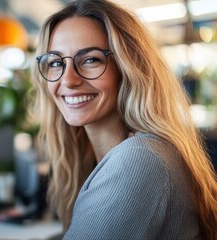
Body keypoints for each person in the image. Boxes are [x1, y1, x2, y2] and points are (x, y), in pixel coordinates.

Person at [32, 0, 217, 239]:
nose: (68, 80)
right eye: (56, 62)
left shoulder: (138, 160)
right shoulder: (115, 154)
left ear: (128, 68)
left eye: (90, 60)